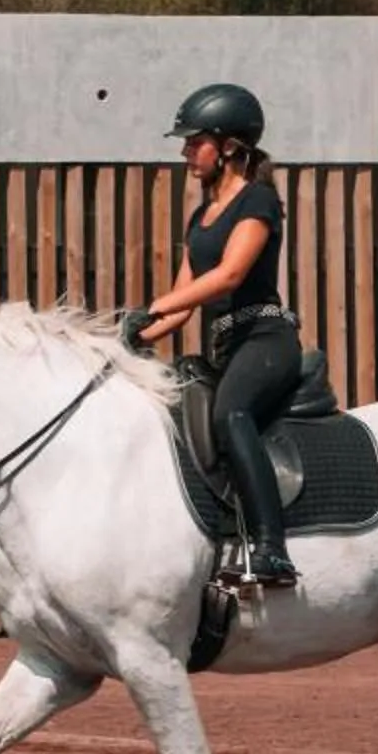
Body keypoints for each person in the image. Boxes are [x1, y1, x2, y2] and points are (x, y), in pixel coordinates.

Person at [119, 82, 301, 590]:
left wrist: (150, 310)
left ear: (229, 146)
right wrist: (129, 334)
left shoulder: (257, 201)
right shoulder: (201, 218)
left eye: (193, 141)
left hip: (266, 340)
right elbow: (181, 304)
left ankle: (272, 550)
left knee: (230, 413)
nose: (184, 152)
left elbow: (227, 277)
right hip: (226, 346)